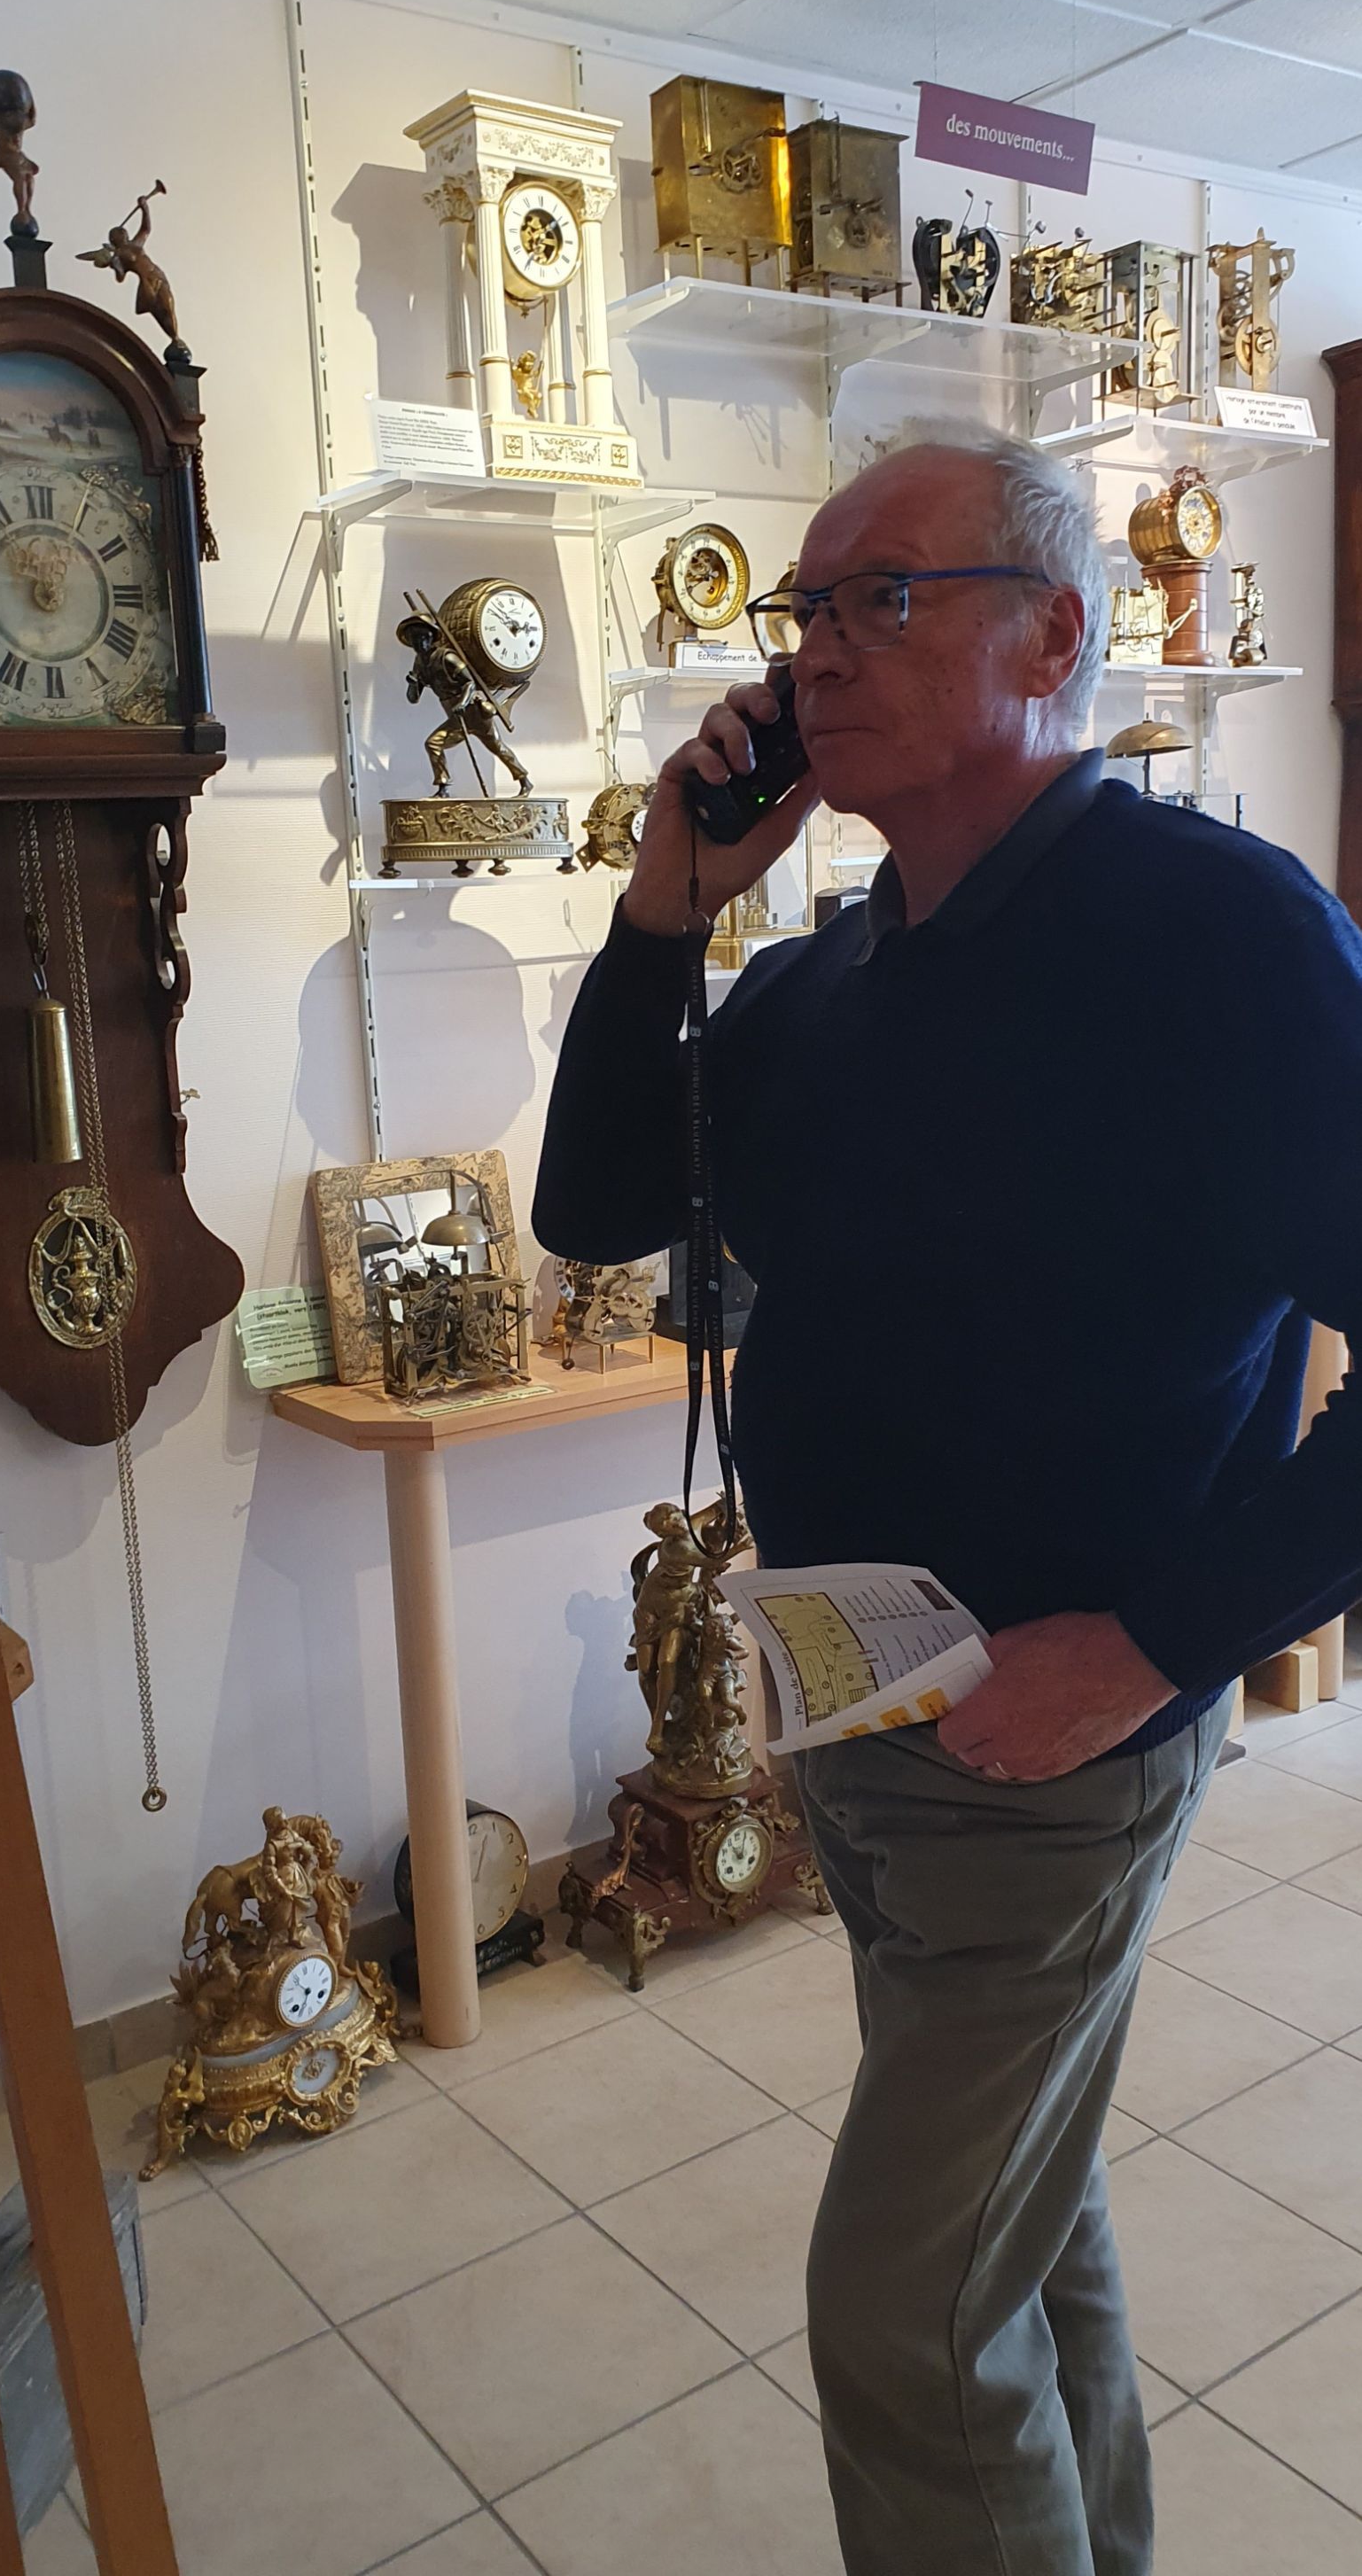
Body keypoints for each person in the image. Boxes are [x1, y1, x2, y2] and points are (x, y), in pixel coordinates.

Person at [533, 424, 1362, 2576]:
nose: (818, 650)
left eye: (881, 597)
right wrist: (664, 913)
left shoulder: (1221, 936)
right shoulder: (820, 981)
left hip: (1051, 1746)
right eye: (803, 608)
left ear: (1053, 636)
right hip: (858, 1721)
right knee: (1013, 2227)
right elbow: (597, 1208)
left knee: (901, 2315)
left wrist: (1162, 1645)